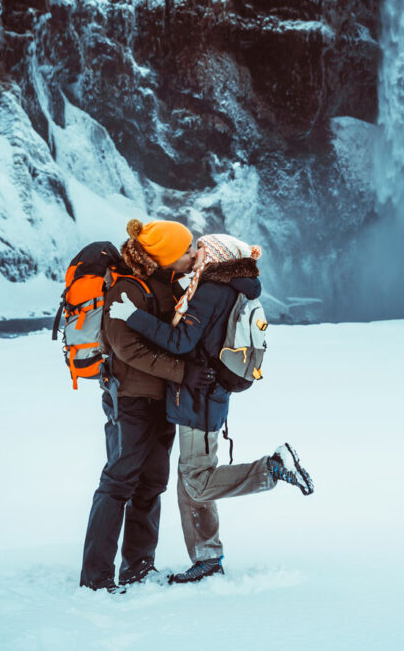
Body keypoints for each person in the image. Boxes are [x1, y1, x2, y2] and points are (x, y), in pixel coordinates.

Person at [108, 233, 314, 584]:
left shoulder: (211, 290)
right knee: (189, 482)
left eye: (200, 249)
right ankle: (207, 557)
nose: (195, 254)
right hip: (207, 394)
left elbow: (180, 340)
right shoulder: (233, 286)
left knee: (197, 482)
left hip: (197, 397)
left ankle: (272, 468)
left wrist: (133, 316)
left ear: (217, 254)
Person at [80, 219, 217, 592]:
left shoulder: (172, 286)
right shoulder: (127, 289)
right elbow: (128, 348)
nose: (192, 254)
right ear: (166, 256)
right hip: (129, 400)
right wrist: (181, 372)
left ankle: (139, 567)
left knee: (152, 481)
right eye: (186, 250)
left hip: (162, 400)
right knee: (118, 481)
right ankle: (96, 577)